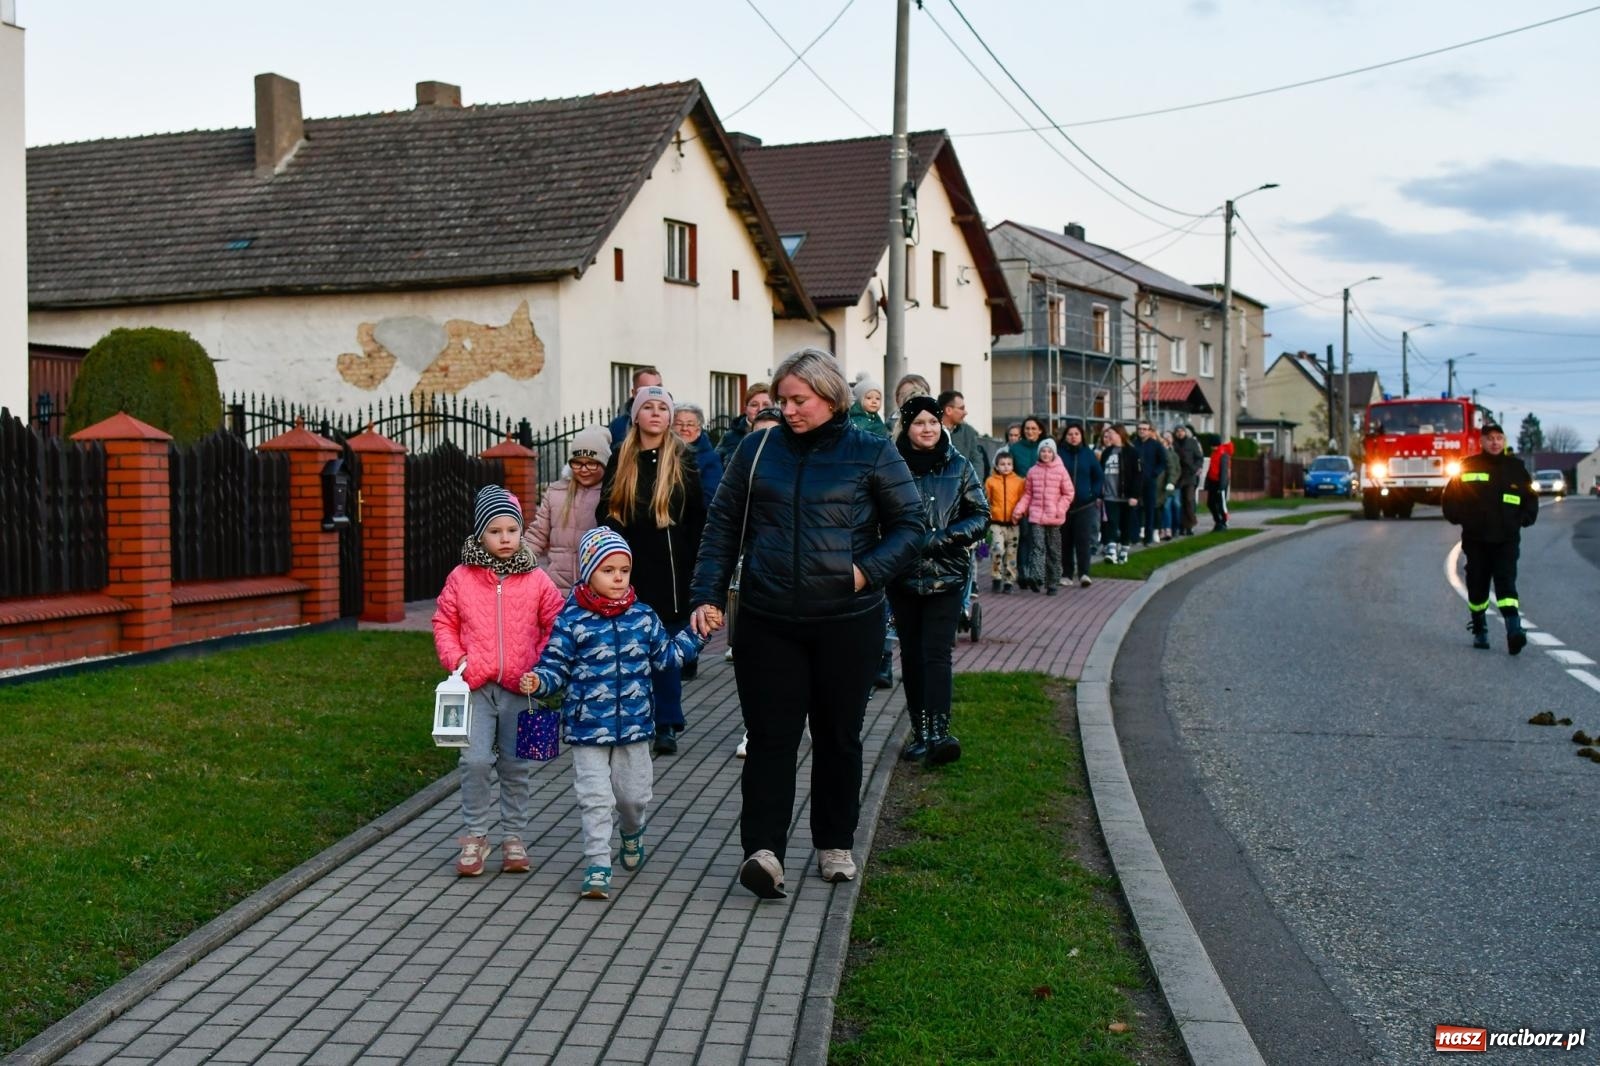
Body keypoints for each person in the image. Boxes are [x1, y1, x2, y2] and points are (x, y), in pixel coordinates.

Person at [689, 347, 923, 899]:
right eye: (783, 400)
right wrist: (706, 593)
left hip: (847, 622)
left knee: (838, 736)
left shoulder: (871, 450)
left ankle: (834, 843)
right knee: (772, 737)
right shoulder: (756, 448)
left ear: (830, 395)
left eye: (800, 400)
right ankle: (763, 852)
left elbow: (910, 527)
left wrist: (864, 574)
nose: (789, 410)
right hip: (768, 620)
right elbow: (722, 525)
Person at [523, 528, 708, 900]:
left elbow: (666, 658)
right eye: (609, 570)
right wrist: (539, 681)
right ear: (588, 572)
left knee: (633, 797)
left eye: (624, 570)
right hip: (588, 729)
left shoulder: (643, 617)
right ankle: (597, 863)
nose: (619, 577)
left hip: (635, 727)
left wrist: (696, 635)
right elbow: (555, 664)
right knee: (595, 798)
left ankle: (632, 829)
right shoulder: (572, 620)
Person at [432, 485, 566, 877]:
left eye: (512, 530)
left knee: (515, 764)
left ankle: (514, 837)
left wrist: (541, 669)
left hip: (521, 691)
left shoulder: (537, 579)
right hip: (475, 687)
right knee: (474, 761)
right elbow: (444, 622)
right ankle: (475, 834)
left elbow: (555, 624)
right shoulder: (461, 577)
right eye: (495, 531)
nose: (505, 538)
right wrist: (457, 659)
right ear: (480, 534)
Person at [600, 385, 705, 754]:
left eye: (663, 408)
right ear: (637, 416)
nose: (656, 414)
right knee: (631, 650)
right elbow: (607, 512)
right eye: (649, 407)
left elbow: (696, 515)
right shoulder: (621, 457)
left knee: (667, 652)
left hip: (674, 573)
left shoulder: (682, 458)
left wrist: (698, 568)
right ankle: (632, 718)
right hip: (632, 570)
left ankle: (667, 723)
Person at [889, 394, 989, 763]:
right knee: (912, 656)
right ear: (907, 427)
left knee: (936, 653)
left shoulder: (959, 465)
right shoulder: (891, 465)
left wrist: (940, 539)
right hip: (901, 576)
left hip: (947, 575)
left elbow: (980, 514)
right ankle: (919, 732)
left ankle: (939, 734)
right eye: (919, 423)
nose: (927, 429)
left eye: (933, 422)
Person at [1442, 421, 1539, 653]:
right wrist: (1462, 517)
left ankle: (1514, 631)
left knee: (1506, 582)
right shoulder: (1468, 467)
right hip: (1477, 539)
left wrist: (1524, 518)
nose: (1495, 442)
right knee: (1477, 585)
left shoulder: (1516, 469)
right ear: (1481, 442)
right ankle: (1479, 628)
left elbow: (1530, 498)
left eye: (1499, 438)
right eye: (1490, 438)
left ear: (1504, 441)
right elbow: (1451, 498)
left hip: (1507, 538)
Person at [525, 425, 609, 593]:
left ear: (604, 463)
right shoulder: (556, 491)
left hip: (596, 588)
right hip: (557, 588)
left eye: (592, 464)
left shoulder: (610, 494)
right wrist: (517, 561)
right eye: (577, 463)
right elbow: (537, 534)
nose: (584, 470)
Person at [1012, 435, 1074, 594]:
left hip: (1054, 517)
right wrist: (1019, 510)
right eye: (1043, 451)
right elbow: (1028, 494)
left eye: (1049, 451)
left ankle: (1052, 582)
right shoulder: (1033, 471)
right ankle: (1037, 577)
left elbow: (1068, 493)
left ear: (1054, 454)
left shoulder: (1061, 471)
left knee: (1053, 550)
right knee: (1037, 547)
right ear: (1039, 453)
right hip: (1037, 516)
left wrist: (1060, 509)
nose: (1046, 454)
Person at [1058, 422, 1104, 587]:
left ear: (1081, 436)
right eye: (1070, 434)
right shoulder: (1059, 453)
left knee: (1083, 541)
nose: (1073, 437)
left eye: (1076, 434)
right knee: (1065, 541)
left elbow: (1098, 476)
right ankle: (1067, 574)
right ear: (1065, 436)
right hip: (1063, 505)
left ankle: (1084, 573)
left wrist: (1094, 494)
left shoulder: (1088, 454)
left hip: (1085, 505)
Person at [984, 449, 1024, 593]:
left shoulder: (1019, 482)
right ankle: (996, 577)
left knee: (1012, 553)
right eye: (1002, 464)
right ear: (996, 465)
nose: (1006, 467)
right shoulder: (991, 481)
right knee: (997, 549)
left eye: (1009, 464)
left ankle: (1009, 581)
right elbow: (986, 500)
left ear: (1013, 465)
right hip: (996, 523)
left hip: (1013, 524)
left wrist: (1021, 513)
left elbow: (1023, 500)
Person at [1099, 424, 1140, 563]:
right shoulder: (1107, 452)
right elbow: (1100, 474)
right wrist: (1100, 494)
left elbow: (1137, 475)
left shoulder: (1132, 452)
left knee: (1125, 524)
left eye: (1111, 433)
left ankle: (1124, 551)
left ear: (1119, 434)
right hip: (1110, 495)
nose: (1109, 436)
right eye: (1108, 433)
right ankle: (1111, 551)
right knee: (1111, 522)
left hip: (1126, 496)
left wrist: (1135, 495)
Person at [672, 403, 724, 506]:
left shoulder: (711, 459)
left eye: (690, 424)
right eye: (678, 424)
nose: (684, 428)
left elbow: (710, 498)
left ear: (698, 430)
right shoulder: (663, 453)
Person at [938, 389, 991, 480]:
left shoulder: (968, 432)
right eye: (961, 408)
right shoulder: (932, 432)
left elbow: (977, 461)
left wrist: (974, 487)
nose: (965, 412)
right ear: (948, 410)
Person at [716, 381, 772, 465]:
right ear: (745, 409)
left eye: (766, 405)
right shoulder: (730, 437)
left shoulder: (784, 436)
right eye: (754, 405)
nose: (760, 409)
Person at [1133, 420, 1169, 546]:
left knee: (1149, 509)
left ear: (1149, 431)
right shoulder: (1134, 444)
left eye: (1144, 429)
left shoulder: (1156, 445)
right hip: (1135, 481)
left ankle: (1148, 537)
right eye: (1140, 429)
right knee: (1135, 509)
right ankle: (1135, 536)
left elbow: (1163, 461)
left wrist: (1154, 473)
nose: (1142, 431)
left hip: (1150, 481)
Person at [608, 366, 663, 446]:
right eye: (646, 389)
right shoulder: (618, 426)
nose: (653, 392)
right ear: (634, 393)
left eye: (658, 388)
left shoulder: (675, 419)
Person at [1173, 424, 1204, 535]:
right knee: (1179, 502)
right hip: (1177, 476)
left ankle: (1190, 525)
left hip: (1190, 475)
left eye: (1182, 431)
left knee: (1189, 500)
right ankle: (1181, 526)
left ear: (1185, 432)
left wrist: (1196, 468)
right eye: (1177, 431)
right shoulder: (1173, 443)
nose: (1180, 433)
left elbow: (1199, 457)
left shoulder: (1192, 442)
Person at [1204, 438, 1233, 531]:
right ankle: (1218, 520)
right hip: (1212, 481)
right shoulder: (1214, 453)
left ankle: (1224, 521)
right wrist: (1207, 482)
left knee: (1221, 503)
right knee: (1210, 503)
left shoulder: (1223, 454)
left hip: (1220, 482)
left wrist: (1222, 486)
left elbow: (1224, 472)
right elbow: (1211, 468)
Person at [1158, 430, 1181, 541]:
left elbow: (1176, 470)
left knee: (1171, 506)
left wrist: (1172, 482)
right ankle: (1163, 529)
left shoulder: (1173, 454)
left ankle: (1171, 528)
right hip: (1160, 485)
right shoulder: (1159, 454)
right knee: (1163, 507)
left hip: (1170, 485)